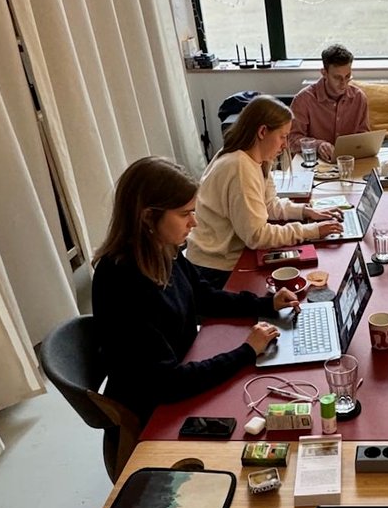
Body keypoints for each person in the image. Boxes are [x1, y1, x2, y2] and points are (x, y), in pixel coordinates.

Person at [92, 157, 300, 428]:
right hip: (154, 411)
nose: (194, 223)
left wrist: (266, 303)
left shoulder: (161, 248)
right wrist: (247, 351)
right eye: (184, 214)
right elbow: (167, 383)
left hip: (186, 368)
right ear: (147, 217)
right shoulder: (121, 282)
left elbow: (203, 296)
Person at [186, 96, 343, 284]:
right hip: (216, 268)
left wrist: (305, 211)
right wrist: (311, 231)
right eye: (282, 137)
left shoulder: (255, 158)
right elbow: (257, 236)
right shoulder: (239, 167)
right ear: (262, 132)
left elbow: (268, 204)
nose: (285, 144)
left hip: (228, 257)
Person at [288, 43, 370, 162]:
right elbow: (291, 140)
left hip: (348, 163)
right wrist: (318, 145)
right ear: (324, 73)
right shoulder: (303, 100)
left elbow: (364, 137)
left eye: (347, 76)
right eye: (337, 78)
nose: (343, 83)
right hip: (313, 164)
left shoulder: (359, 98)